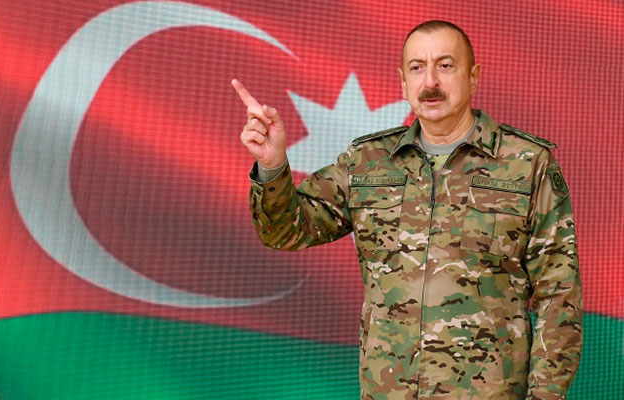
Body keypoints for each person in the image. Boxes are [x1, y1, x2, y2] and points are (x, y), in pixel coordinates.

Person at [232, 20, 582, 400]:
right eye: (417, 67)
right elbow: (286, 231)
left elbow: (558, 296)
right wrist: (272, 166)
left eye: (445, 66)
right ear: (403, 82)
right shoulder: (367, 162)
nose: (430, 81)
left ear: (473, 77)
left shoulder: (526, 164)